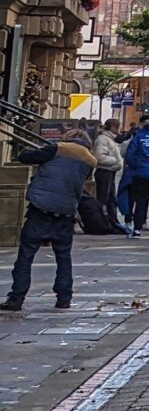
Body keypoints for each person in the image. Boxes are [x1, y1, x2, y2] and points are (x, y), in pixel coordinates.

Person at [3, 123, 91, 310]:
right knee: (63, 257)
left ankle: (16, 298)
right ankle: (64, 298)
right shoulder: (91, 160)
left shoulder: (57, 148)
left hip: (40, 208)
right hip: (66, 212)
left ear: (67, 137)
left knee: (26, 255)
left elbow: (25, 157)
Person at [88, 122, 127, 233]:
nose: (119, 130)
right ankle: (101, 222)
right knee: (103, 198)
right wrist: (116, 161)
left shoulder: (110, 139)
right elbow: (99, 157)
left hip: (110, 171)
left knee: (111, 199)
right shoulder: (102, 139)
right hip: (104, 171)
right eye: (118, 127)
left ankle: (112, 222)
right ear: (113, 127)